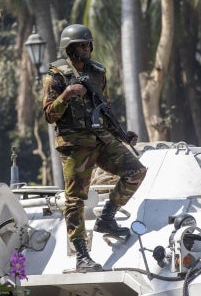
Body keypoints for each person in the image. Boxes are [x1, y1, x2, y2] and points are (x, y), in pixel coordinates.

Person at [42, 24, 147, 273]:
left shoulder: (97, 72)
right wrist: (66, 95)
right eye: (80, 45)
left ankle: (107, 218)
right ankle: (81, 256)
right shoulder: (55, 76)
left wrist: (120, 135)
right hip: (75, 144)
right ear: (69, 48)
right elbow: (48, 115)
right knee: (76, 200)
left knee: (136, 171)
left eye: (88, 44)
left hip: (100, 138)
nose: (86, 48)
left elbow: (104, 107)